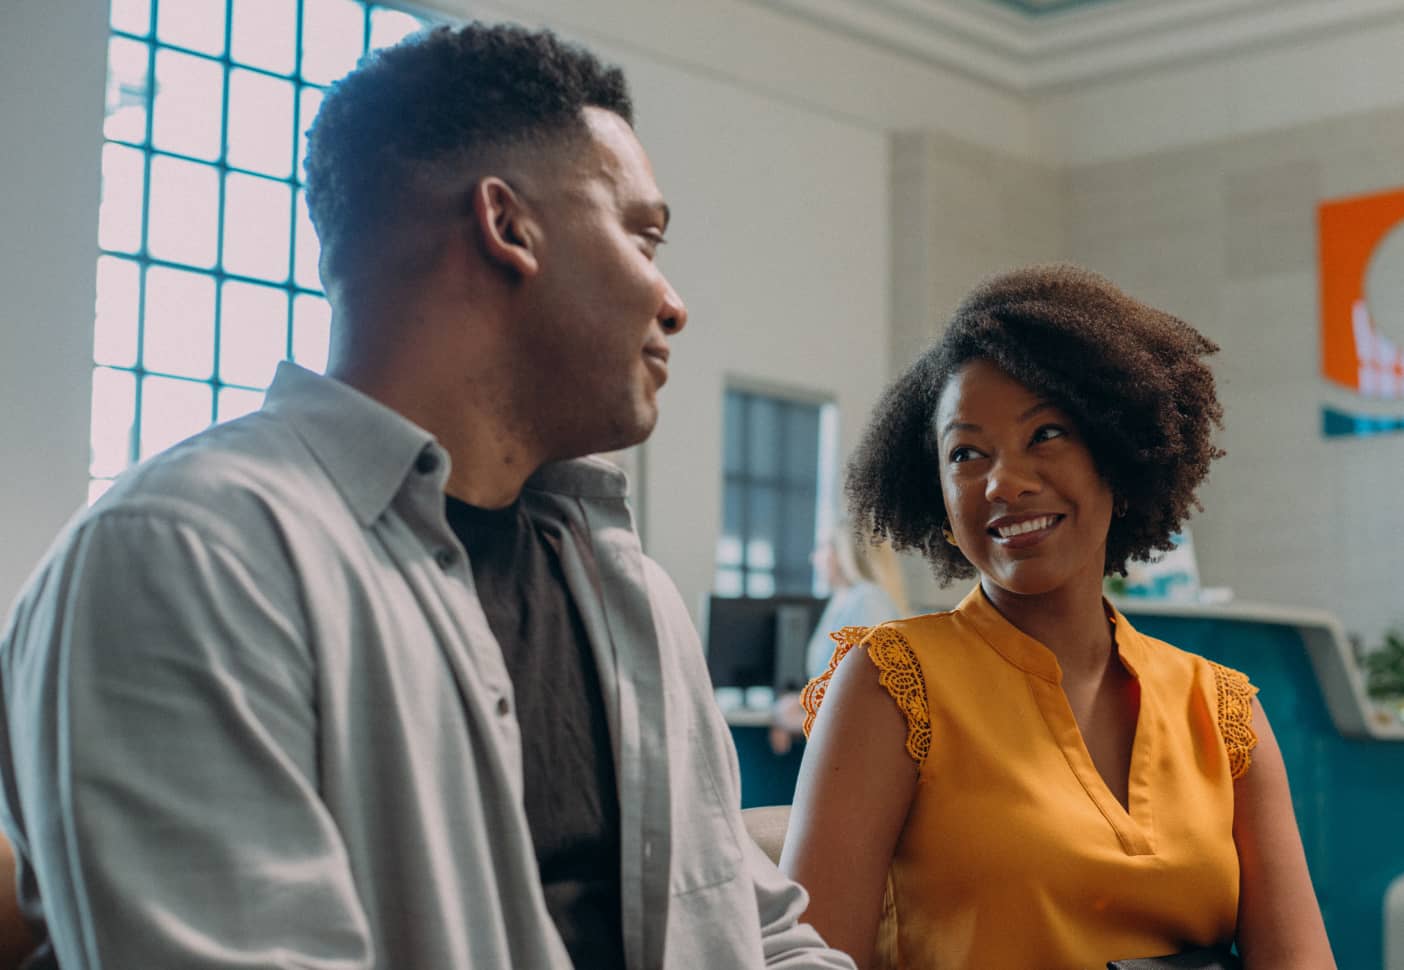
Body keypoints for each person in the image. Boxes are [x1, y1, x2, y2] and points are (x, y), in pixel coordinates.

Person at [0, 23, 855, 970]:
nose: (672, 301)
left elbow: (761, 934)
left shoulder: (629, 596)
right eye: (641, 236)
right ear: (508, 227)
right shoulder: (187, 558)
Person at [780, 264, 1335, 969]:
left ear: (1122, 458)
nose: (1003, 482)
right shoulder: (891, 684)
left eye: (1046, 434)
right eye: (966, 453)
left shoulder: (1223, 713)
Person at [770, 524, 905, 754]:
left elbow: (861, 693)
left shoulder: (868, 601)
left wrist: (800, 719)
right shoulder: (843, 600)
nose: (814, 557)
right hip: (837, 741)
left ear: (843, 553)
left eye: (823, 547)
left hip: (857, 748)